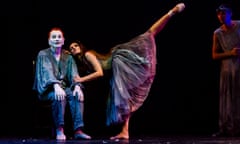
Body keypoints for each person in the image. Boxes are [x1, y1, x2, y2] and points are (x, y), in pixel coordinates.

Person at [69, 3, 185, 140]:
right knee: (124, 100)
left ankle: (171, 12)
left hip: (119, 61)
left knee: (148, 35)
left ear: (81, 47)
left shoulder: (88, 54)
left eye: (75, 45)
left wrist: (81, 80)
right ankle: (125, 131)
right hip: (116, 70)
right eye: (71, 48)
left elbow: (99, 73)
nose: (73, 48)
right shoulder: (83, 62)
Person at [33, 27, 91, 140]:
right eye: (53, 37)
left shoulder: (68, 57)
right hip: (47, 89)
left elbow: (74, 73)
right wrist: (55, 85)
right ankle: (59, 129)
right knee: (59, 95)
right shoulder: (43, 54)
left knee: (76, 94)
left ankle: (78, 130)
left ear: (63, 40)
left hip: (64, 88)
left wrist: (77, 86)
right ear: (49, 41)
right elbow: (47, 71)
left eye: (59, 37)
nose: (56, 39)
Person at [212, 3, 240, 137]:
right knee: (228, 97)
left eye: (224, 13)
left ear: (230, 14)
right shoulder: (218, 33)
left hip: (239, 66)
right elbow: (215, 55)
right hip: (227, 69)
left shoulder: (239, 26)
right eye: (219, 14)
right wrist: (231, 53)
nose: (221, 16)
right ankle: (226, 128)